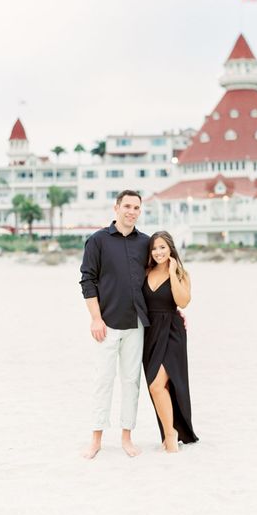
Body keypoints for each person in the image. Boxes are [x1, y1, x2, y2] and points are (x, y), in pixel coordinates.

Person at [79, 190, 150, 459]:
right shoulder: (97, 240)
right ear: (116, 208)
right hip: (106, 324)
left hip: (136, 324)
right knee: (103, 380)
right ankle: (96, 439)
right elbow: (87, 280)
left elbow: (157, 280)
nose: (132, 211)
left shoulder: (145, 242)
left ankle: (126, 437)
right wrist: (95, 318)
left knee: (131, 381)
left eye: (136, 208)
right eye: (127, 206)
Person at [142, 231, 199, 452]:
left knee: (157, 385)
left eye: (162, 247)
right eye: (154, 248)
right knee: (158, 386)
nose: (158, 252)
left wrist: (173, 272)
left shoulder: (182, 273)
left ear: (171, 249)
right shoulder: (145, 272)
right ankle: (169, 433)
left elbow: (182, 302)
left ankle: (171, 434)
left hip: (173, 331)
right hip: (150, 333)